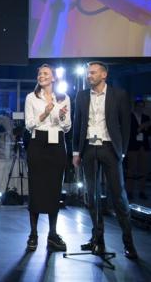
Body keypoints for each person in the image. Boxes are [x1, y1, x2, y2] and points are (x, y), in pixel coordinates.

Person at [72, 61, 138, 259]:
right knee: (92, 196)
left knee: (118, 196)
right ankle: (98, 240)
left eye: (92, 73)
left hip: (110, 149)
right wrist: (76, 151)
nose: (88, 76)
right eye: (87, 73)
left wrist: (122, 152)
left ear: (104, 75)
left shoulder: (119, 95)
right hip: (89, 149)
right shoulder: (82, 96)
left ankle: (129, 243)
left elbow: (126, 126)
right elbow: (77, 124)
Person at [24, 64, 71, 252]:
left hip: (58, 144)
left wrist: (59, 115)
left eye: (45, 73)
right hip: (38, 144)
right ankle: (33, 234)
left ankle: (52, 234)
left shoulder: (64, 98)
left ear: (53, 78)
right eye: (39, 73)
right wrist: (45, 113)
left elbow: (67, 126)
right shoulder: (31, 97)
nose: (41, 76)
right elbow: (29, 125)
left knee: (54, 190)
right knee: (36, 189)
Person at [125, 99, 150, 200]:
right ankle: (129, 191)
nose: (140, 108)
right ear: (135, 106)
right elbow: (127, 132)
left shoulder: (146, 117)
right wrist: (139, 128)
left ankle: (142, 191)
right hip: (133, 146)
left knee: (144, 170)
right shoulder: (129, 117)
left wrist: (146, 128)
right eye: (138, 106)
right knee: (131, 170)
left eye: (142, 106)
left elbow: (149, 133)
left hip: (144, 146)